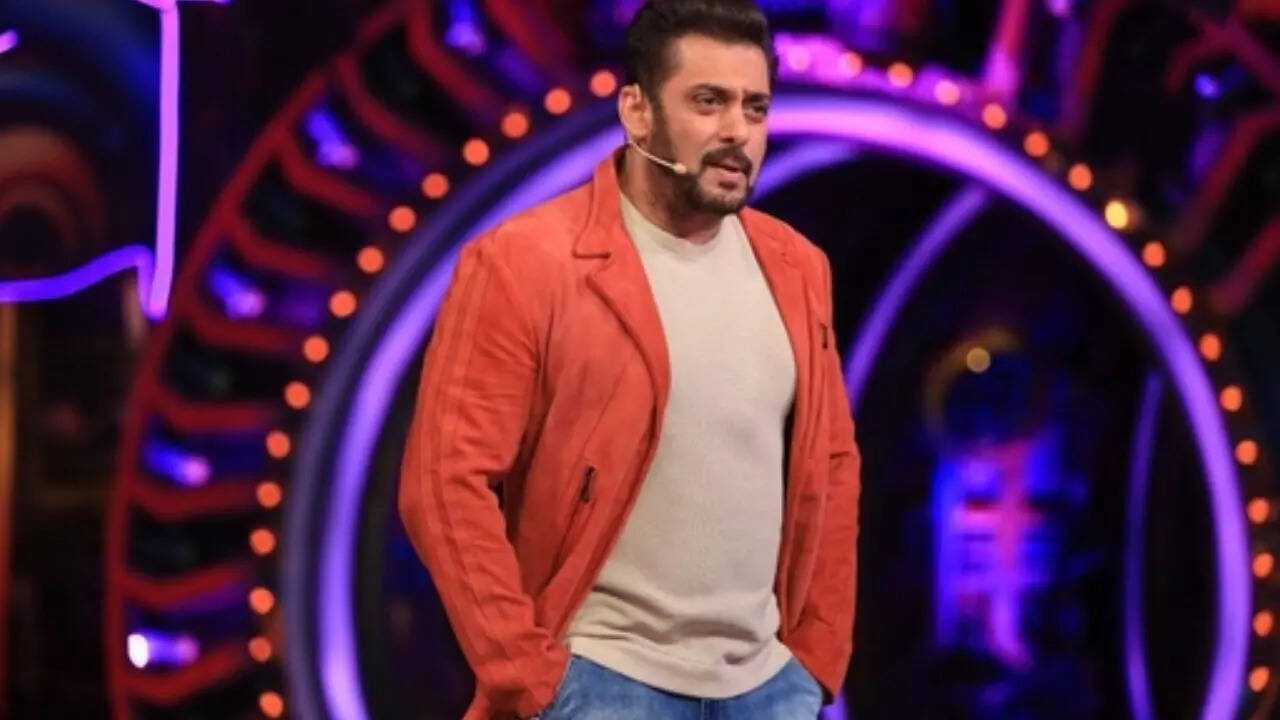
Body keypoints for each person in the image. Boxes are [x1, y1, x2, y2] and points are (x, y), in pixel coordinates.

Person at [398, 1, 861, 717]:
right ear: (637, 111)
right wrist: (533, 679)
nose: (737, 131)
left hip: (766, 688)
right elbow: (443, 486)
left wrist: (813, 664)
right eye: (707, 102)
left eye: (755, 107)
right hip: (602, 682)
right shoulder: (523, 262)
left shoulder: (798, 268)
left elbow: (831, 466)